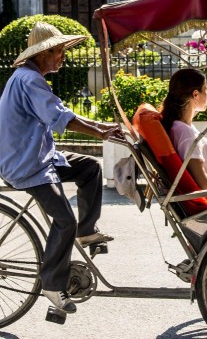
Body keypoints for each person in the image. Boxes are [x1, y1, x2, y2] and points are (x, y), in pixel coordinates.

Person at [0, 22, 122, 314]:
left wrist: (101, 126)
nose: (63, 57)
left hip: (41, 156)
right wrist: (101, 132)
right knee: (65, 220)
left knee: (89, 168)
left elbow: (61, 114)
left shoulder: (29, 77)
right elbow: (61, 118)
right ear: (42, 53)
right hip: (27, 164)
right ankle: (53, 285)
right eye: (58, 51)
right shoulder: (29, 80)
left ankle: (87, 230)